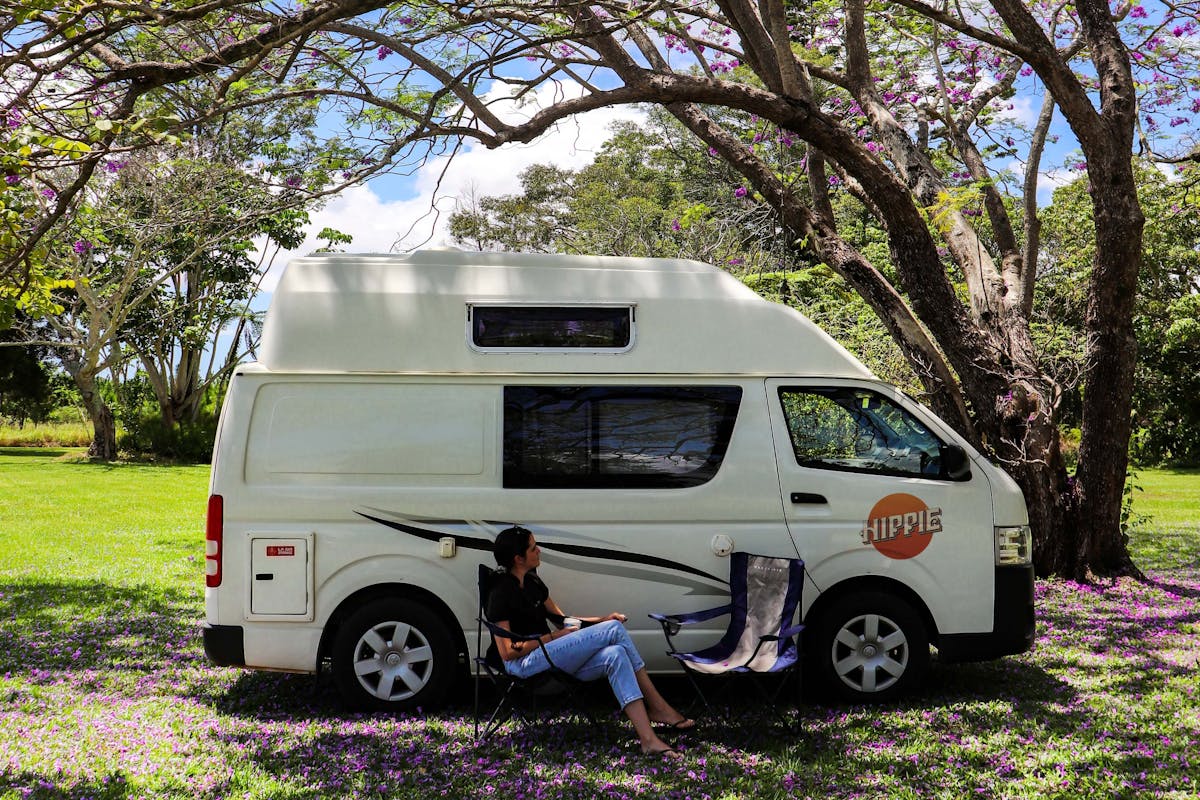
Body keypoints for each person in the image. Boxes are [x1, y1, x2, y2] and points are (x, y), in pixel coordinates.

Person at [486, 525, 695, 759]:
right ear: (518, 558)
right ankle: (658, 706)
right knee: (614, 630)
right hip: (525, 664)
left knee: (616, 653)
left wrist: (602, 620)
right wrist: (553, 638)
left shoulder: (533, 583)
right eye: (533, 548)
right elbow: (508, 653)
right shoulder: (500, 592)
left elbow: (562, 620)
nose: (539, 550)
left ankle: (648, 740)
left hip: (550, 656)